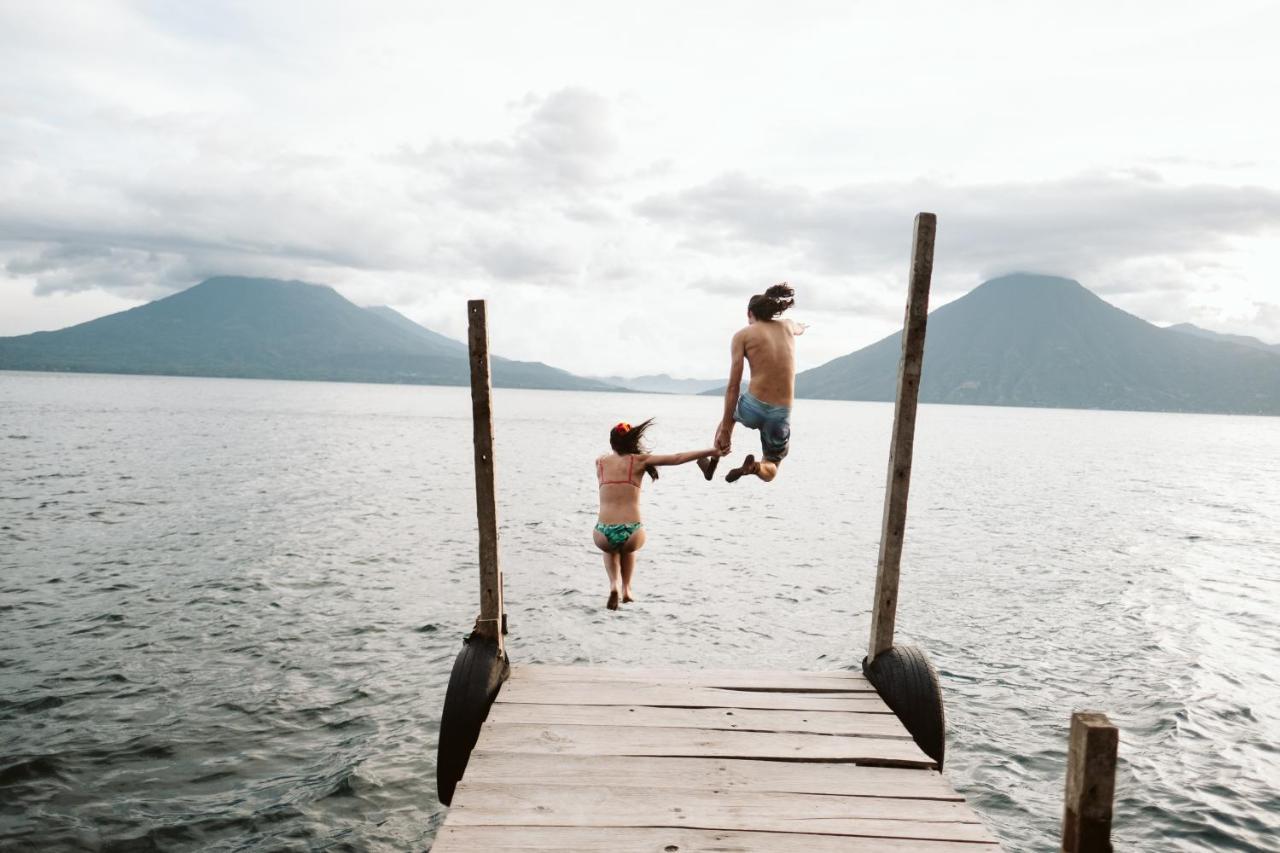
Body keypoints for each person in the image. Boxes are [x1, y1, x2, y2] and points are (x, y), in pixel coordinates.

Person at [594, 419, 724, 610]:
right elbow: (678, 457)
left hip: (603, 532)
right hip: (632, 532)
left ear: (612, 443)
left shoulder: (600, 462)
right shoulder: (640, 461)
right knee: (628, 549)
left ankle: (613, 584)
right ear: (632, 442)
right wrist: (712, 451)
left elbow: (612, 453)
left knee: (610, 549)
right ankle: (627, 588)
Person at [698, 283, 804, 484]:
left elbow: (733, 386)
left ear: (750, 313)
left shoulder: (743, 335)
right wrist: (801, 328)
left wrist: (726, 429)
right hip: (781, 412)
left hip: (752, 406)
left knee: (727, 419)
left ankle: (711, 465)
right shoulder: (788, 325)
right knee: (772, 466)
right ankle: (756, 468)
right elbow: (798, 328)